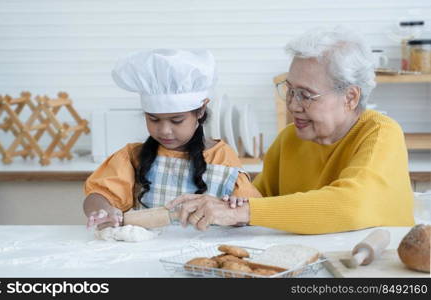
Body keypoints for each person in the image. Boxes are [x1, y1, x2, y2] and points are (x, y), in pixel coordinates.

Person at [166, 27, 415, 234]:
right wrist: (226, 206)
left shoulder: (381, 133)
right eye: (290, 90)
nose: (293, 105)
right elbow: (256, 201)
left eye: (306, 95)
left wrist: (246, 211)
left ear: (350, 97)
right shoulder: (290, 138)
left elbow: (353, 204)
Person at [83, 49, 261, 230]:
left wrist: (238, 208)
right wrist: (103, 210)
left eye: (177, 120)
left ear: (200, 111)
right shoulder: (132, 156)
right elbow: (98, 195)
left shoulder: (222, 158)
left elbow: (251, 212)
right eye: (153, 119)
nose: (164, 130)